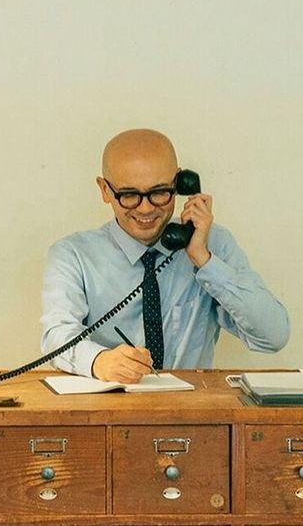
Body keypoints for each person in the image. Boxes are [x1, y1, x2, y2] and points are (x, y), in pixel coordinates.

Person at [40, 129, 290, 383]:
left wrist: (205, 261)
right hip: (108, 411)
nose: (146, 208)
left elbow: (273, 336)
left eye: (159, 192)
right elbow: (56, 334)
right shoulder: (72, 255)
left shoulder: (213, 244)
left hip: (190, 413)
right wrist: (98, 361)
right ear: (105, 190)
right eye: (129, 195)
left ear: (180, 185)